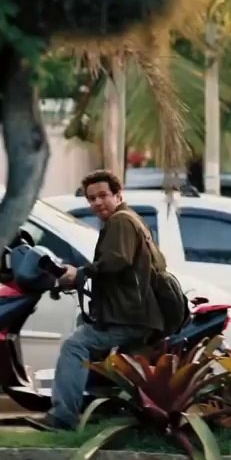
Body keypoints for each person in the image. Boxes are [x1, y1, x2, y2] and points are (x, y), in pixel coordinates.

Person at [29, 169, 165, 431]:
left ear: (117, 194)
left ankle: (62, 418)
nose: (97, 203)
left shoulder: (120, 221)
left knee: (75, 346)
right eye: (92, 199)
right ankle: (94, 409)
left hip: (129, 316)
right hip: (133, 312)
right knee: (85, 327)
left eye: (103, 195)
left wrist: (80, 273)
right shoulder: (131, 220)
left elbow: (116, 261)